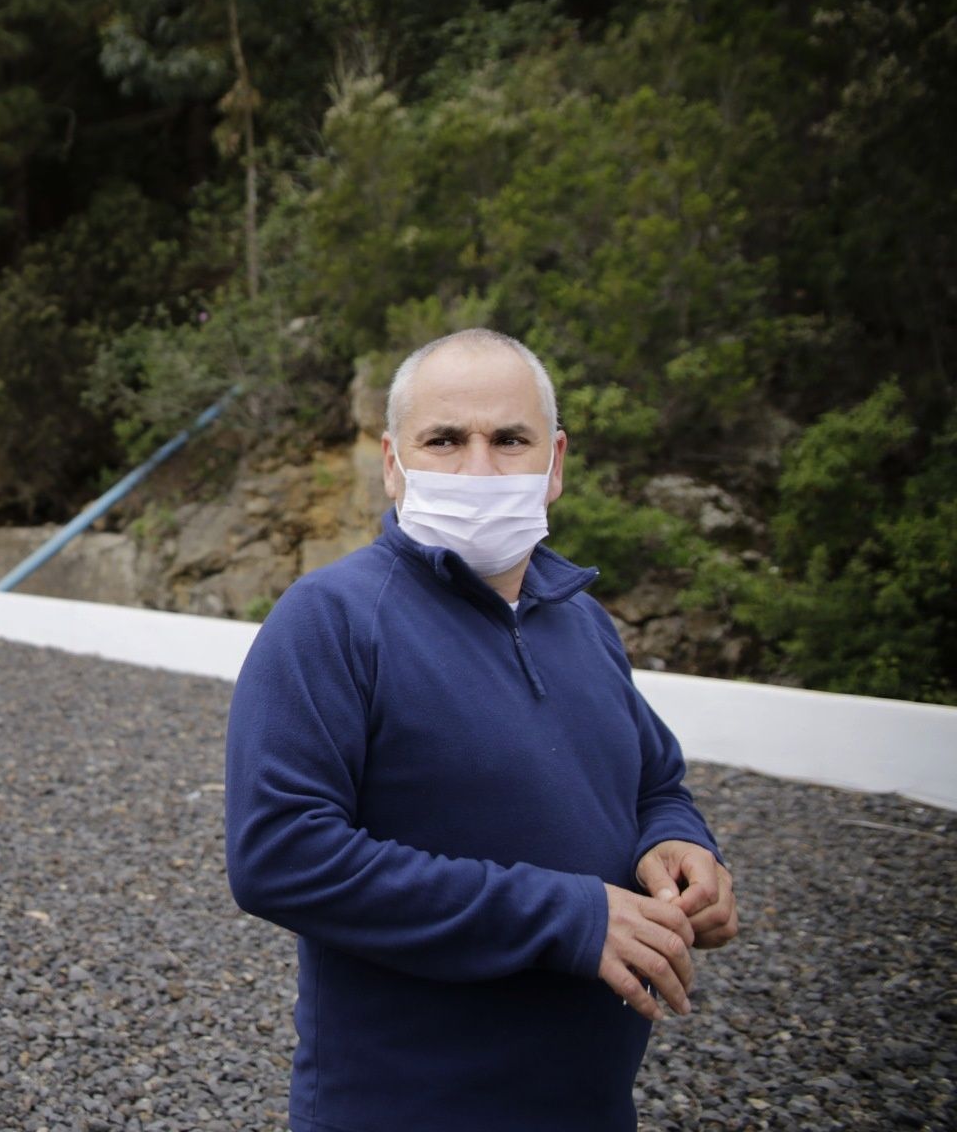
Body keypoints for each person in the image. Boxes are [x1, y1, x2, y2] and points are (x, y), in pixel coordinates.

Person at [224, 328, 739, 1132]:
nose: (478, 468)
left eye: (509, 440)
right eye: (444, 440)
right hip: (407, 1109)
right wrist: (567, 916)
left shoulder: (583, 623)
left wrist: (679, 847)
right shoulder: (331, 620)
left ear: (555, 463)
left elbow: (654, 783)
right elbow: (279, 855)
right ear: (394, 463)